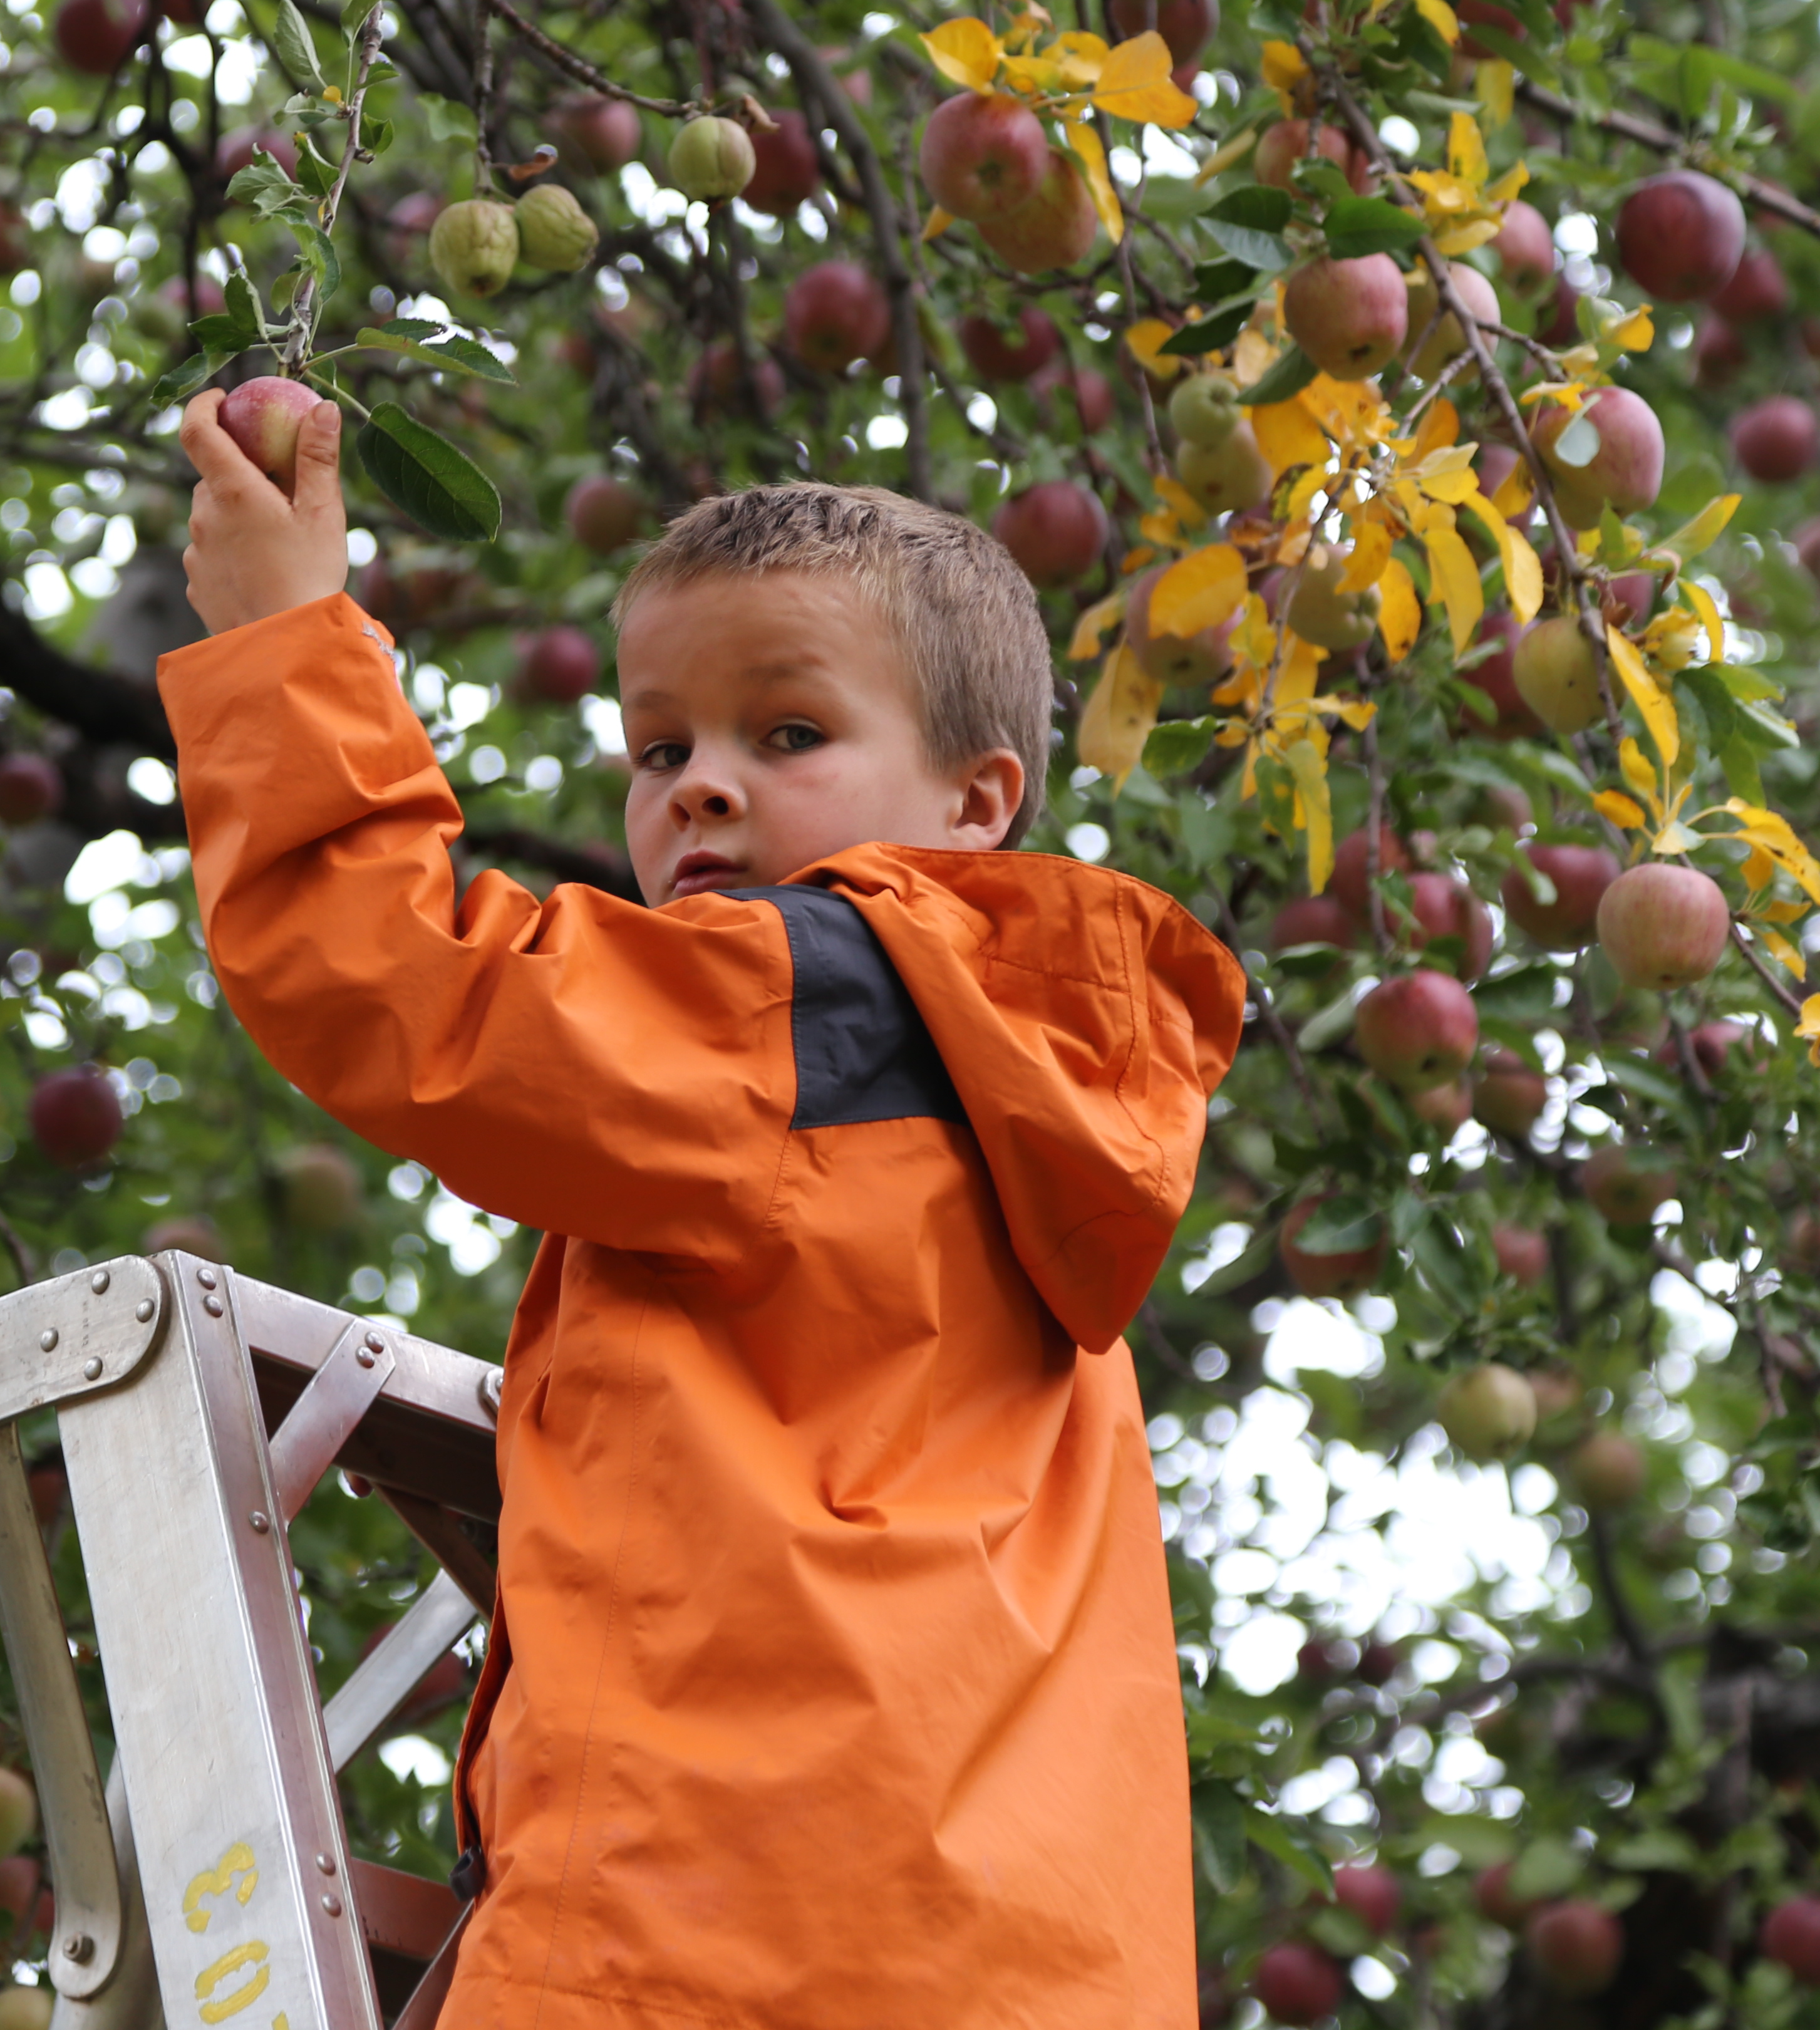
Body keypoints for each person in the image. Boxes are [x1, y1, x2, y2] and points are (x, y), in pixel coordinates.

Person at [162, 386, 1246, 2029]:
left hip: (724, 1942)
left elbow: (402, 981)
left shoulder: (818, 1003)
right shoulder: (1031, 1117)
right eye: (661, 747)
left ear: (976, 803)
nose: (700, 789)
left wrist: (279, 630)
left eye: (787, 735)